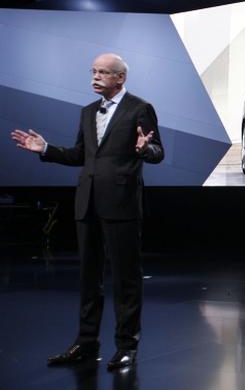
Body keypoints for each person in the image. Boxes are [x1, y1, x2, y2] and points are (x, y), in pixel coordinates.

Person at [10, 53, 164, 370]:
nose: (94, 77)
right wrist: (47, 150)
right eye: (93, 72)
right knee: (88, 278)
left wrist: (143, 149)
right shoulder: (88, 112)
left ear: (120, 77)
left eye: (102, 72)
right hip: (88, 201)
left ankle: (127, 347)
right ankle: (86, 343)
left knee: (126, 279)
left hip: (121, 202)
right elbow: (82, 154)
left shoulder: (140, 108)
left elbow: (157, 151)